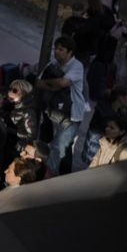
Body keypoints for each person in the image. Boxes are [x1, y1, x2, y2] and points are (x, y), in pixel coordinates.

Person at [36, 36, 86, 175]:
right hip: (53, 111)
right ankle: (64, 174)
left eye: (61, 49)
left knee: (60, 147)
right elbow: (39, 83)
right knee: (57, 145)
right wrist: (53, 85)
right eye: (55, 48)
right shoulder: (52, 64)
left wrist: (52, 84)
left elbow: (62, 83)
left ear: (70, 53)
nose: (56, 52)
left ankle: (50, 176)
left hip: (71, 115)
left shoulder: (77, 66)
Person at [79, 86, 127, 167]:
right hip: (97, 140)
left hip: (105, 144)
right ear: (120, 98)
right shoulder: (104, 112)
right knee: (91, 164)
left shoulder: (122, 110)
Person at [4, 79, 37, 162]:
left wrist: (23, 149)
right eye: (10, 89)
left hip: (19, 148)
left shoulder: (28, 111)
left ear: (24, 93)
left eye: (14, 90)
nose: (11, 92)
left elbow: (31, 136)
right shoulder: (14, 106)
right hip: (12, 144)